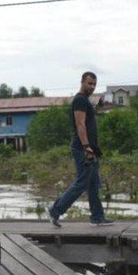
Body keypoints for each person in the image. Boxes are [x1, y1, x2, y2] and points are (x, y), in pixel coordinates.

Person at [48, 71, 113, 228]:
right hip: (82, 148)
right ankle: (55, 211)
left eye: (94, 84)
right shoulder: (80, 100)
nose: (91, 87)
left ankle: (97, 217)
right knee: (82, 183)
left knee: (93, 183)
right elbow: (80, 124)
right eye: (89, 83)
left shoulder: (85, 101)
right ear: (82, 82)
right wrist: (86, 147)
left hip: (90, 148)